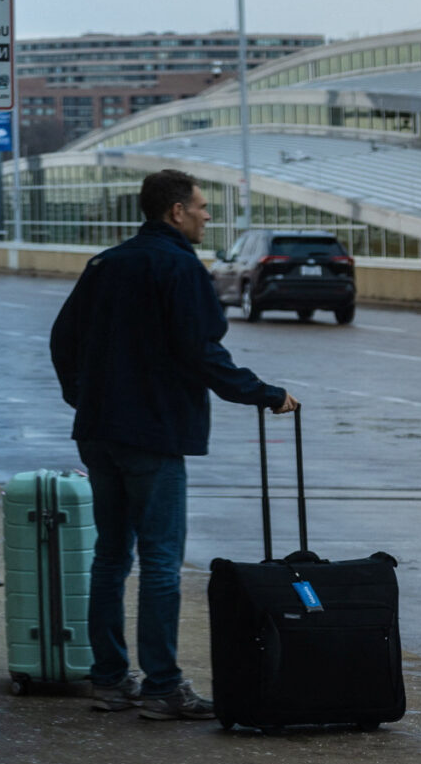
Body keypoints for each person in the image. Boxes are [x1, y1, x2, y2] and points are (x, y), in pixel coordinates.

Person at [50, 168, 298, 721]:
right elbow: (202, 352)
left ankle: (111, 679)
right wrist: (264, 395)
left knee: (110, 556)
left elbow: (62, 337)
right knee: (161, 560)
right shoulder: (180, 267)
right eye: (203, 208)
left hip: (99, 433)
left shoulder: (106, 263)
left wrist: (83, 398)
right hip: (154, 435)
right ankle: (164, 686)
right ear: (176, 212)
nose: (209, 216)